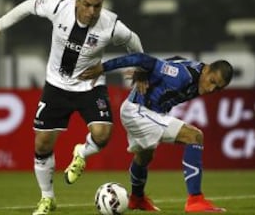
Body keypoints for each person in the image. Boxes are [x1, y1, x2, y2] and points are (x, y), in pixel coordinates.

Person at [0, 0, 143, 215]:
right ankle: (47, 198)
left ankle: (81, 153)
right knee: (42, 143)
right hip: (56, 87)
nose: (92, 11)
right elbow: (28, 6)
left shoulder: (110, 24)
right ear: (77, 1)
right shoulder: (58, 8)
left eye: (97, 6)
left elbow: (133, 40)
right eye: (87, 5)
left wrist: (141, 69)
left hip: (90, 86)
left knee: (103, 135)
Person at [79, 53, 233, 213]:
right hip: (139, 111)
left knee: (145, 155)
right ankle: (195, 200)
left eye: (217, 88)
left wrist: (144, 73)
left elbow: (175, 59)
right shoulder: (181, 75)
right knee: (194, 136)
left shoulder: (197, 73)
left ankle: (136, 199)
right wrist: (103, 68)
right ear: (207, 69)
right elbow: (140, 58)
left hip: (143, 111)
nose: (211, 89)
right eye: (212, 81)